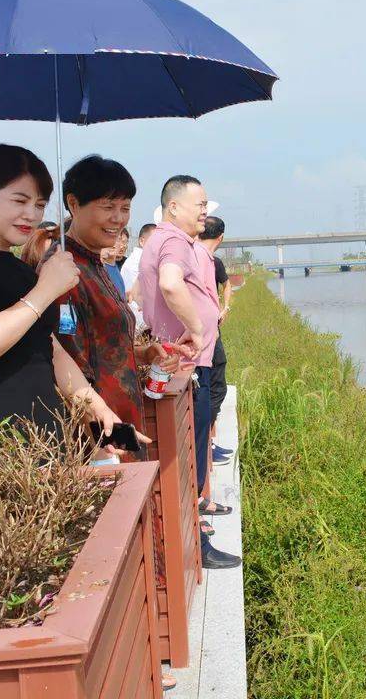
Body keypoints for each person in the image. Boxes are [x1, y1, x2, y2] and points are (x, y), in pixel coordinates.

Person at [0, 143, 133, 445]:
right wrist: (45, 290)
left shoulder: (21, 271)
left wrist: (97, 409)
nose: (31, 215)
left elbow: (51, 350)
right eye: (20, 201)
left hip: (46, 439)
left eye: (39, 205)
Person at [47, 155, 182, 462]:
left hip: (123, 421)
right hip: (100, 439)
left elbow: (101, 347)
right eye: (108, 207)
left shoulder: (96, 264)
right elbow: (68, 364)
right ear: (73, 203)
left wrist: (143, 353)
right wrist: (101, 440)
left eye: (125, 208)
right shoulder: (63, 271)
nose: (118, 219)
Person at [139, 175, 240, 570]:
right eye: (199, 203)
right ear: (173, 207)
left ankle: (195, 538)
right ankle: (196, 544)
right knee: (189, 460)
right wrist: (198, 328)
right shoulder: (174, 241)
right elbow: (169, 284)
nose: (204, 210)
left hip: (180, 368)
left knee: (190, 457)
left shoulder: (166, 241)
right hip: (186, 368)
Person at [196, 216, 233, 465]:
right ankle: (205, 446)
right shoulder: (199, 257)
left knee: (211, 386)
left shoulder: (208, 259)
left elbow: (221, 288)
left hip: (207, 333)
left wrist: (224, 307)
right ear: (220, 238)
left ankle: (207, 443)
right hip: (201, 337)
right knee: (211, 388)